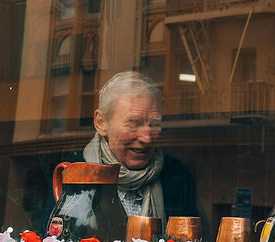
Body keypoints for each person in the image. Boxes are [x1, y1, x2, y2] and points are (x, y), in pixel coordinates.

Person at [68, 71, 200, 221]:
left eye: (154, 124)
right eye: (134, 124)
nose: (147, 138)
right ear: (101, 123)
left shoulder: (176, 176)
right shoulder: (73, 176)